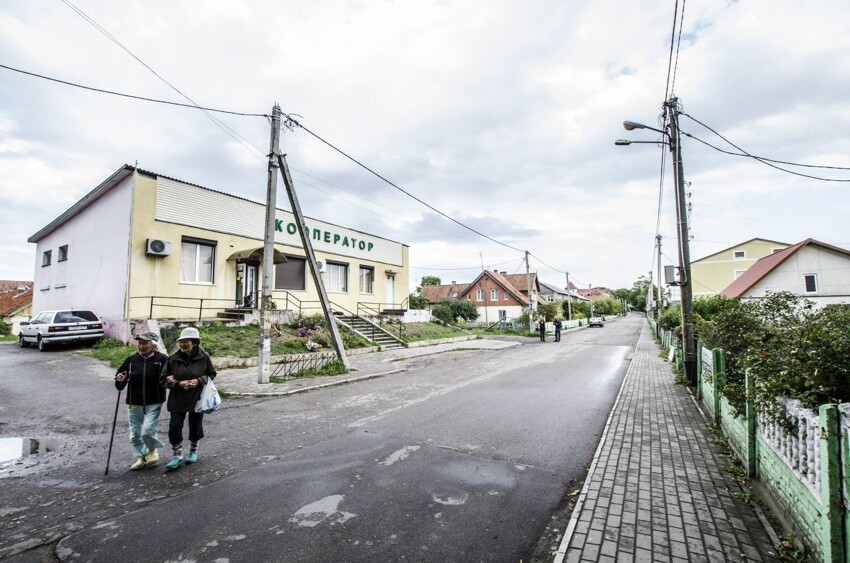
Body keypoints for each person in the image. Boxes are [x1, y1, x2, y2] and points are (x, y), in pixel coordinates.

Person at [160, 327, 216, 471]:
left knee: (195, 424)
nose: (183, 344)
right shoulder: (172, 359)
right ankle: (177, 455)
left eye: (186, 342)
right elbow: (162, 379)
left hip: (197, 397)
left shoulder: (204, 357)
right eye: (181, 341)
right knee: (175, 426)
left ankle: (193, 451)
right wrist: (177, 383)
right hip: (177, 397)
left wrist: (198, 381)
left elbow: (211, 374)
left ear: (194, 343)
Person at [114, 331, 168, 470]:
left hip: (154, 400)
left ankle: (152, 450)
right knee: (135, 433)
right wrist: (120, 379)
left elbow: (168, 378)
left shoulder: (162, 359)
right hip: (134, 401)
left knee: (148, 429)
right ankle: (140, 457)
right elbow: (120, 381)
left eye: (145, 343)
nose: (141, 346)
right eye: (140, 343)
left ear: (153, 345)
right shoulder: (131, 360)